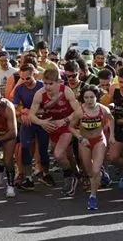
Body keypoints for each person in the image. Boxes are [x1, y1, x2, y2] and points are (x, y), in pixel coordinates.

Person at [29, 68, 82, 196]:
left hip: (67, 126)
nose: (47, 86)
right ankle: (76, 173)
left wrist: (65, 120)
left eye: (50, 83)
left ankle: (69, 177)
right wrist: (42, 123)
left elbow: (79, 110)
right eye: (45, 83)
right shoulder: (40, 94)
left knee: (58, 154)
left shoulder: (66, 91)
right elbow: (31, 115)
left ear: (58, 82)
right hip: (52, 127)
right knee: (67, 155)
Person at [68, 85, 115, 210]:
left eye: (92, 97)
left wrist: (112, 136)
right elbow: (71, 127)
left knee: (95, 170)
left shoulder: (103, 110)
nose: (89, 100)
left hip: (99, 140)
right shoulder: (79, 111)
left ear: (97, 97)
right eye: (86, 97)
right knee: (89, 172)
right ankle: (100, 174)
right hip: (85, 142)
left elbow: (111, 119)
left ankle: (93, 197)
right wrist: (80, 138)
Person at [12, 63, 52, 190]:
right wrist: (21, 112)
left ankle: (45, 173)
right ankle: (28, 177)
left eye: (27, 78)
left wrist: (31, 113)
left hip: (42, 122)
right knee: (25, 148)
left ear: (34, 74)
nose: (25, 81)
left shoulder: (43, 86)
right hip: (28, 123)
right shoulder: (19, 88)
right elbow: (15, 106)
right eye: (22, 78)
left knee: (43, 151)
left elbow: (49, 107)